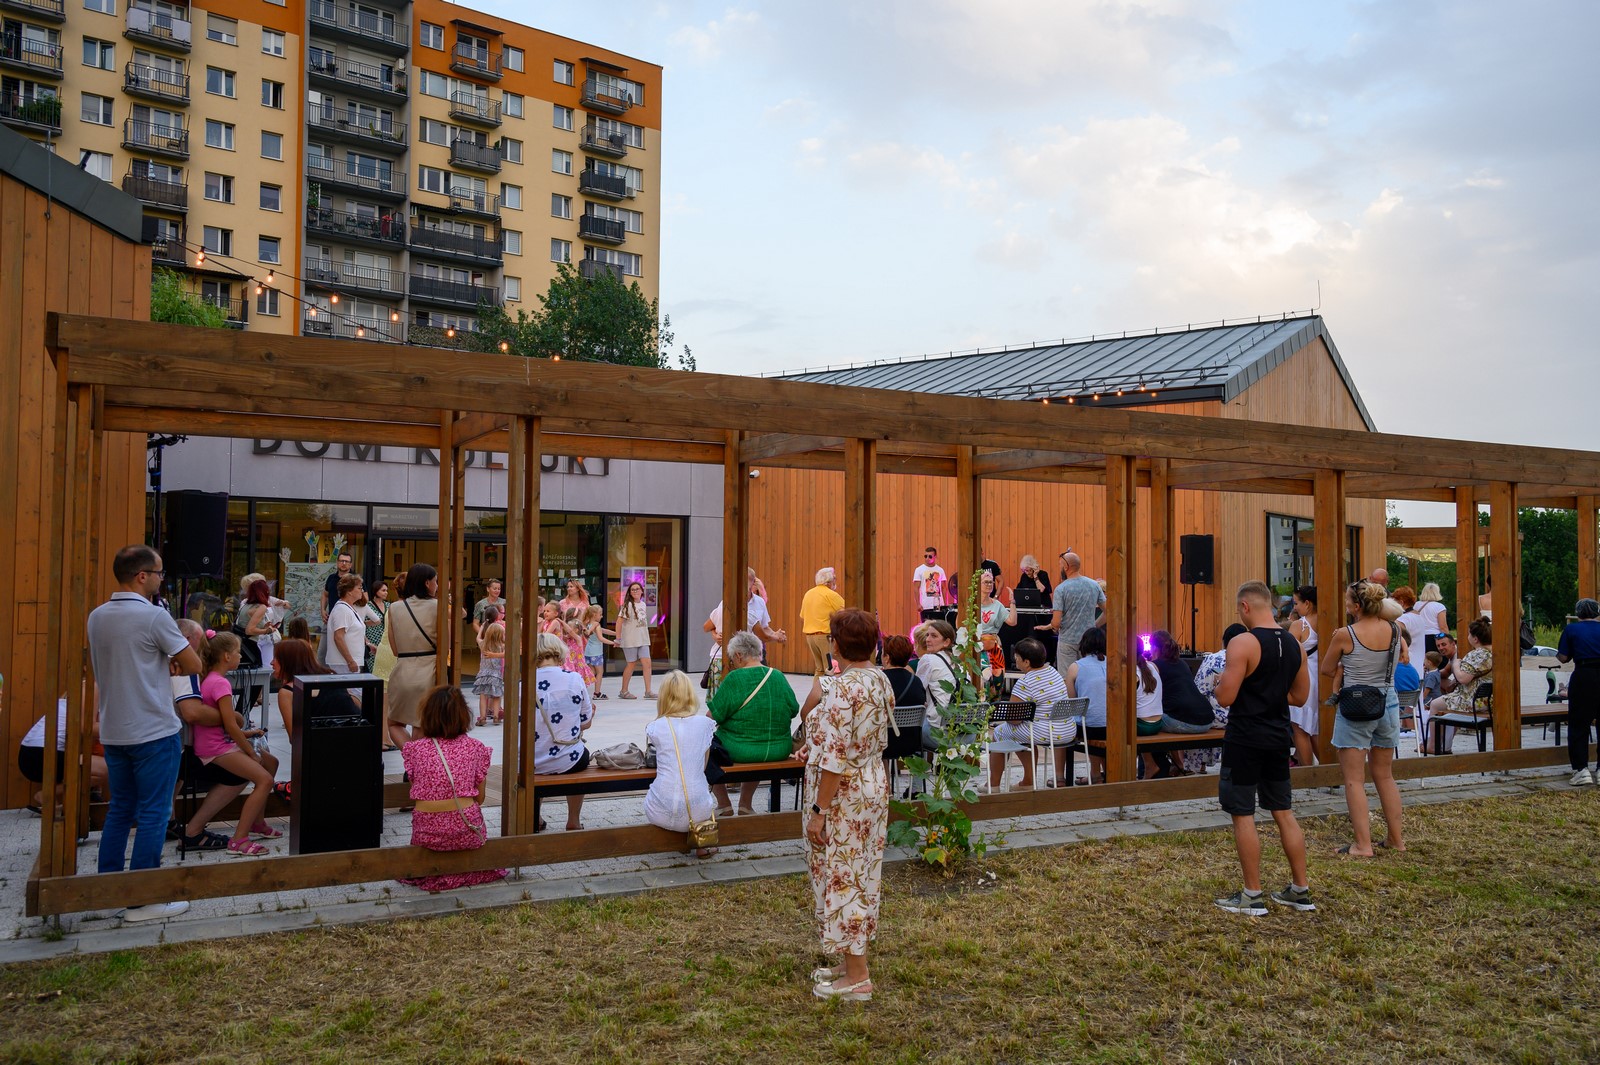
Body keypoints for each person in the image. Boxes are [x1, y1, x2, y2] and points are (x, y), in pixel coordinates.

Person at [88, 545, 202, 921]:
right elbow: (193, 663)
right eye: (159, 573)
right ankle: (143, 900)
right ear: (142, 576)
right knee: (154, 813)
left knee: (120, 810)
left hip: (114, 729)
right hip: (153, 729)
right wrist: (168, 660)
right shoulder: (154, 616)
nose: (161, 579)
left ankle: (108, 894)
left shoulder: (97, 617)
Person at [798, 608, 893, 1001]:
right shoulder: (879, 679)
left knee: (842, 876)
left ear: (836, 645)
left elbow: (836, 759)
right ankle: (849, 960)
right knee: (861, 872)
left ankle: (858, 977)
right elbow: (861, 735)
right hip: (872, 783)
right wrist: (816, 745)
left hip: (843, 794)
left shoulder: (839, 688)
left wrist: (818, 812)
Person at [1211, 580, 1314, 916]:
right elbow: (1300, 697)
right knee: (1283, 811)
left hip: (1245, 737)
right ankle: (1300, 889)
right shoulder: (1295, 644)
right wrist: (1270, 692)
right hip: (1278, 736)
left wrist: (1220, 684)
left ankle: (1252, 895)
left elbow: (1226, 697)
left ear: (1245, 607)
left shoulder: (1243, 642)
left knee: (1243, 814)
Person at [1320, 579, 1407, 856]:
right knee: (1385, 776)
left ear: (1357, 606)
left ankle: (1362, 844)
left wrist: (1343, 665)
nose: (1346, 604)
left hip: (1357, 705)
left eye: (1348, 600)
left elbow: (1326, 668)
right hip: (1388, 702)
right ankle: (1396, 839)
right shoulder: (1395, 630)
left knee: (1354, 780)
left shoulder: (1346, 634)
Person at [398, 685, 506, 892]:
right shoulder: (475, 748)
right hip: (465, 830)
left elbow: (419, 793)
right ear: (464, 714)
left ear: (427, 715)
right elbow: (480, 798)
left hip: (427, 834)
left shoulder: (414, 750)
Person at [187, 632, 280, 856]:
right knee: (265, 780)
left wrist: (247, 734)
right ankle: (239, 840)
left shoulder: (211, 679)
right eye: (238, 652)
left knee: (272, 763)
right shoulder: (220, 683)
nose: (241, 656)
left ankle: (257, 822)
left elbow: (225, 725)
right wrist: (250, 753)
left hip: (217, 743)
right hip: (216, 748)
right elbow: (230, 724)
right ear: (227, 656)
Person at [707, 630, 800, 815]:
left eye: (732, 659)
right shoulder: (778, 676)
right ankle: (745, 804)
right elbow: (794, 709)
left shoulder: (734, 679)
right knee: (756, 739)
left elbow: (711, 717)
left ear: (739, 655)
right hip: (778, 749)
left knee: (703, 746)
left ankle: (724, 804)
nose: (733, 664)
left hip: (740, 750)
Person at [643, 670, 719, 856]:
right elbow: (702, 766)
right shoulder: (705, 725)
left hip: (660, 810)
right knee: (699, 792)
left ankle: (678, 840)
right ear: (690, 694)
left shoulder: (655, 727)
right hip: (699, 811)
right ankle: (702, 844)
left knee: (665, 790)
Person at [991, 637, 1073, 788]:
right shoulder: (1053, 672)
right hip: (1067, 729)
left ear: (1026, 662)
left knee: (1000, 732)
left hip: (1047, 732)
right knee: (1022, 733)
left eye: (1017, 657)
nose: (1015, 660)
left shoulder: (1025, 682)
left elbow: (1014, 719)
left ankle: (993, 785)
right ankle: (1028, 781)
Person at [532, 631, 594, 831]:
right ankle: (573, 820)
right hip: (568, 759)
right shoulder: (574, 679)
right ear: (559, 651)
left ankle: (535, 817)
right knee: (581, 755)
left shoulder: (523, 682)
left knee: (536, 757)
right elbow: (586, 722)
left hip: (530, 760)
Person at [18, 697, 108, 814]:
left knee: (93, 766)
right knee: (110, 768)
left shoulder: (67, 703)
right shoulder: (87, 707)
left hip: (27, 756)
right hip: (42, 754)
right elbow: (96, 731)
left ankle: (52, 803)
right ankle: (48, 794)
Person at [386, 563, 440, 752]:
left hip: (402, 670)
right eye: (435, 581)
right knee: (420, 725)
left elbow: (394, 649)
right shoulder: (437, 607)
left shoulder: (394, 608)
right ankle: (418, 763)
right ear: (427, 583)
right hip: (429, 671)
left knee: (394, 723)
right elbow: (446, 646)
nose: (437, 586)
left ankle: (412, 759)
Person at [1422, 618, 1492, 756]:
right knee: (1450, 702)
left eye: (1469, 634)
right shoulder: (1495, 651)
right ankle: (1445, 745)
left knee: (1435, 704)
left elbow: (1463, 678)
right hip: (1489, 699)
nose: (1467, 637)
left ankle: (1433, 745)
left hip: (1473, 700)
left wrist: (1456, 664)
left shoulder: (1477, 654)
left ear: (1475, 639)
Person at [1556, 598, 1600, 786]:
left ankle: (1581, 770)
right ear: (1597, 612)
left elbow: (1563, 657)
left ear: (1578, 613)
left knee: (1578, 724)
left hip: (1583, 675)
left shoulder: (1571, 629)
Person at [1047, 551, 1105, 675]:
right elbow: (1109, 612)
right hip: (1088, 641)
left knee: (1068, 678)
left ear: (1066, 567)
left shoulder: (1061, 589)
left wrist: (1053, 626)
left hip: (1067, 642)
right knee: (1088, 676)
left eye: (1060, 565)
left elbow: (1056, 623)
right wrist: (1094, 625)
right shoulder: (1094, 585)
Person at [1150, 630, 1216, 738]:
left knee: (1147, 719)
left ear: (1154, 648)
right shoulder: (1183, 663)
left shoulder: (1154, 666)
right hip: (1207, 720)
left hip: (1185, 722)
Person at [1065, 627, 1108, 783]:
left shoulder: (1076, 667)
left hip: (1089, 727)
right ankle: (1104, 773)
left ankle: (1095, 774)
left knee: (1082, 721)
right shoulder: (1114, 663)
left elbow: (1072, 702)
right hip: (1114, 725)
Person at [269, 637, 332, 739]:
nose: (271, 662)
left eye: (276, 658)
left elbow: (295, 738)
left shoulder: (288, 692)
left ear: (288, 661)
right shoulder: (331, 678)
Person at [1286, 585, 1321, 768]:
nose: (1295, 607)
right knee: (1315, 728)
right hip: (1322, 679)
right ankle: (1329, 767)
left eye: (1296, 603)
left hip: (1304, 679)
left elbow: (1289, 656)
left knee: (1300, 728)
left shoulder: (1299, 625)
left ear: (1307, 603)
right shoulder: (1328, 621)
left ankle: (1308, 772)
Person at [1004, 554, 1054, 664]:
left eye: (1028, 570)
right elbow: (1019, 592)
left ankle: (1045, 658)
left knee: (1042, 634)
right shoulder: (1024, 576)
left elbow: (1042, 589)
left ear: (1033, 568)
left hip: (1043, 610)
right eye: (1024, 570)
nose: (1026, 573)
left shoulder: (1043, 574)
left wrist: (1035, 577)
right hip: (1028, 610)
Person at [912, 620, 957, 742]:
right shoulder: (958, 664)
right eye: (927, 635)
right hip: (964, 733)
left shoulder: (928, 659)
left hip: (939, 734)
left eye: (934, 636)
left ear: (946, 642)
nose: (927, 639)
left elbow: (917, 693)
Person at [1130, 638, 1167, 779]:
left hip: (1142, 725)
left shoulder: (1131, 672)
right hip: (1157, 722)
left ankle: (1127, 768)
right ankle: (1148, 764)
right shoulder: (1153, 666)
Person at [800, 567, 845, 676]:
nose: (835, 582)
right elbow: (846, 612)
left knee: (819, 669)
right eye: (834, 579)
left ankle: (817, 687)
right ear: (828, 582)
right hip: (825, 636)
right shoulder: (831, 594)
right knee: (831, 668)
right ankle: (830, 688)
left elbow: (802, 616)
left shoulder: (808, 594)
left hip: (810, 637)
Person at [239, 578, 288, 674]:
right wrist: (267, 630)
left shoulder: (245, 605)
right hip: (252, 642)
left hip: (243, 642)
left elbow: (248, 622)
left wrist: (263, 626)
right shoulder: (261, 607)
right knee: (263, 670)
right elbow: (249, 630)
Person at [615, 580, 654, 699]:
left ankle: (648, 691)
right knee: (631, 664)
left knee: (647, 664)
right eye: (632, 589)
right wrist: (618, 638)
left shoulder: (643, 604)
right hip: (630, 640)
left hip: (643, 639)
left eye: (637, 589)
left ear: (642, 591)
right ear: (630, 592)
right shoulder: (627, 605)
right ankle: (624, 691)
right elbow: (619, 622)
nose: (635, 591)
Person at [325, 574, 367, 674]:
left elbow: (354, 631)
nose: (362, 591)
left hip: (349, 662)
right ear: (349, 592)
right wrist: (350, 661)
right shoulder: (342, 610)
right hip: (343, 663)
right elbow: (338, 637)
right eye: (359, 588)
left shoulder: (349, 608)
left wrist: (368, 644)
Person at [976, 570, 1010, 689]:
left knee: (997, 681)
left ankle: (996, 699)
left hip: (994, 645)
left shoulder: (997, 604)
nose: (989, 584)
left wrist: (1012, 602)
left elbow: (1012, 621)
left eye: (991, 582)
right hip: (977, 645)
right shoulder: (973, 603)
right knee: (981, 679)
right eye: (986, 582)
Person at [320, 551, 355, 657]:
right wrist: (323, 610)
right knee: (322, 654)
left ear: (350, 564)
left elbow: (364, 598)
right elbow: (325, 595)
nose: (344, 563)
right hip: (330, 619)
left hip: (348, 621)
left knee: (344, 653)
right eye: (341, 561)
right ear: (337, 562)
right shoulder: (331, 578)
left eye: (346, 561)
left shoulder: (355, 580)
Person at [474, 621, 506, 727]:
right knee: (497, 696)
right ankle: (496, 717)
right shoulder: (501, 646)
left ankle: (482, 718)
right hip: (496, 674)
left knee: (483, 696)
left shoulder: (483, 644)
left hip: (483, 674)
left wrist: (482, 628)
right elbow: (506, 654)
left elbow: (477, 638)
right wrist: (495, 655)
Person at [582, 604, 614, 700]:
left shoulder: (588, 624)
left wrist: (617, 633)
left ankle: (582, 690)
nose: (602, 616)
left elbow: (604, 631)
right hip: (596, 653)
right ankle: (597, 693)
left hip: (588, 652)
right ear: (594, 614)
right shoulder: (596, 624)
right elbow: (601, 638)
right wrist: (613, 643)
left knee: (591, 672)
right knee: (600, 672)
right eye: (600, 614)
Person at [913, 547, 949, 623]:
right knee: (926, 627)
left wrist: (945, 604)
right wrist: (918, 604)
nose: (927, 558)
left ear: (935, 557)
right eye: (925, 556)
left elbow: (944, 588)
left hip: (938, 605)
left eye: (930, 556)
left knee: (939, 626)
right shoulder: (919, 570)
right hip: (925, 606)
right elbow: (916, 588)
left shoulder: (940, 570)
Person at [362, 578, 389, 675]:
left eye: (386, 590)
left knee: (385, 668)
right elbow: (361, 623)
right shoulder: (367, 606)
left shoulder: (389, 605)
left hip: (385, 641)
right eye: (383, 590)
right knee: (373, 669)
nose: (386, 593)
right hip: (372, 640)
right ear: (376, 591)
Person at [1414, 583, 1450, 654]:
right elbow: (1443, 627)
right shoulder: (1439, 607)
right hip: (1434, 638)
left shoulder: (1416, 605)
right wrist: (1448, 639)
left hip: (1419, 637)